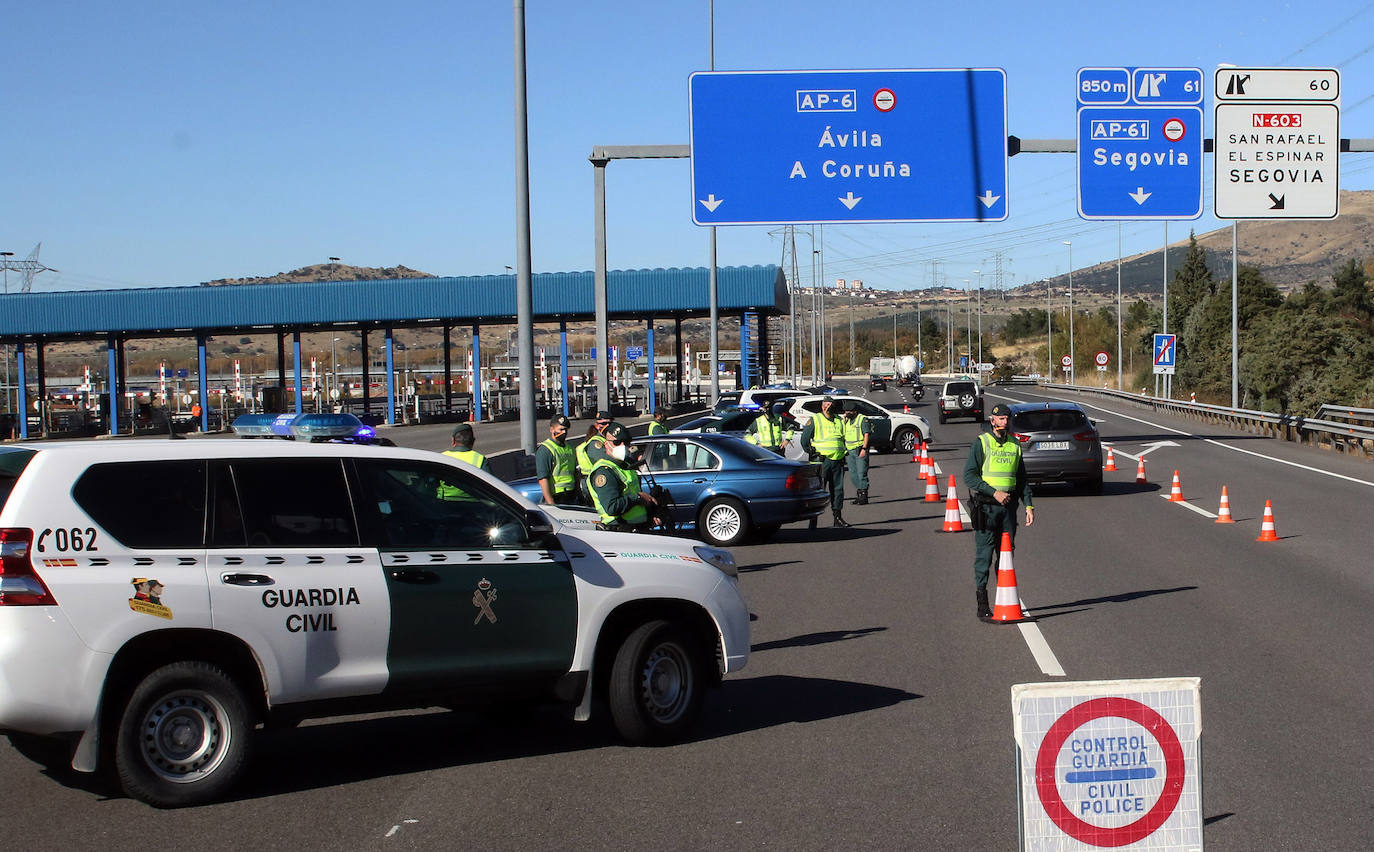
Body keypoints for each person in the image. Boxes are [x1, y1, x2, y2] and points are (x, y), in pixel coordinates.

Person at [963, 402, 1035, 620]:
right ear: (992, 421)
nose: (1004, 422)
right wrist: (994, 492)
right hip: (986, 508)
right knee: (984, 556)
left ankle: (1004, 597)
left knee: (1006, 557)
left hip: (1008, 510)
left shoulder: (1014, 445)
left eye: (1006, 418)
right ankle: (982, 603)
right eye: (1000, 419)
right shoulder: (982, 443)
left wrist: (1029, 505)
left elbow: (1021, 479)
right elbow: (969, 476)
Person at [587, 422, 659, 532]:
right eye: (617, 442)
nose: (622, 446)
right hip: (619, 530)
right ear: (606, 444)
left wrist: (650, 512)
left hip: (637, 528)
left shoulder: (625, 466)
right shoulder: (604, 471)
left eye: (626, 442)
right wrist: (638, 498)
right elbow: (612, 507)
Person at [800, 396, 850, 527]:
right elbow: (805, 439)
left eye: (832, 404)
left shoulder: (839, 420)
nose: (830, 406)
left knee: (838, 490)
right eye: (828, 404)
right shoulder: (816, 419)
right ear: (823, 406)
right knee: (819, 490)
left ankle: (837, 518)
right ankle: (813, 520)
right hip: (822, 461)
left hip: (838, 460)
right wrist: (812, 452)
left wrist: (846, 451)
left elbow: (844, 437)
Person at [535, 413, 579, 505]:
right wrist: (551, 503)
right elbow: (543, 479)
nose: (564, 432)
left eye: (566, 429)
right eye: (561, 429)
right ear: (552, 429)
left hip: (571, 496)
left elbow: (574, 473)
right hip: (556, 496)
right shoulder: (546, 449)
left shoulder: (570, 448)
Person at [438, 423, 490, 500]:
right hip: (473, 506)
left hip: (444, 504)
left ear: (453, 441)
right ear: (473, 441)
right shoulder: (480, 459)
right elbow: (489, 487)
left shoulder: (441, 457)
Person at [575, 410, 613, 501]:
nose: (607, 426)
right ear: (597, 426)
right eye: (603, 423)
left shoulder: (604, 439)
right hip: (595, 483)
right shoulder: (596, 443)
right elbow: (606, 462)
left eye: (609, 423)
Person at [842, 399, 873, 504]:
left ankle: (864, 496)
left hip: (859, 449)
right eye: (846, 411)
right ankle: (859, 493)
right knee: (853, 474)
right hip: (849, 451)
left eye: (849, 411)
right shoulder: (846, 421)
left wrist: (864, 448)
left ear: (855, 411)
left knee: (861, 473)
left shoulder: (862, 419)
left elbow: (866, 434)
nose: (847, 413)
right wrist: (843, 422)